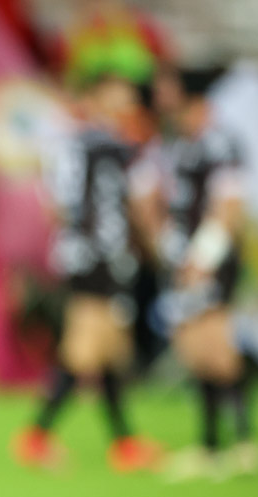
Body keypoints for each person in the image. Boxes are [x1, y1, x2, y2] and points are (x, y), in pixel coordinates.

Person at [13, 72, 161, 472]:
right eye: (117, 98)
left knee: (110, 347)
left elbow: (54, 206)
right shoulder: (121, 148)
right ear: (95, 100)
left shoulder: (67, 145)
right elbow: (141, 204)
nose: (125, 107)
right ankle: (36, 436)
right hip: (102, 254)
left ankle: (124, 442)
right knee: (86, 347)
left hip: (79, 253)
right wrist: (154, 244)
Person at [132, 66, 258, 481]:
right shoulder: (172, 143)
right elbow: (148, 196)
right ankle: (213, 446)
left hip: (210, 261)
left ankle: (239, 443)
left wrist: (203, 256)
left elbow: (230, 206)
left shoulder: (220, 143)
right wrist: (166, 243)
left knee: (215, 348)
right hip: (181, 257)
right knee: (194, 349)